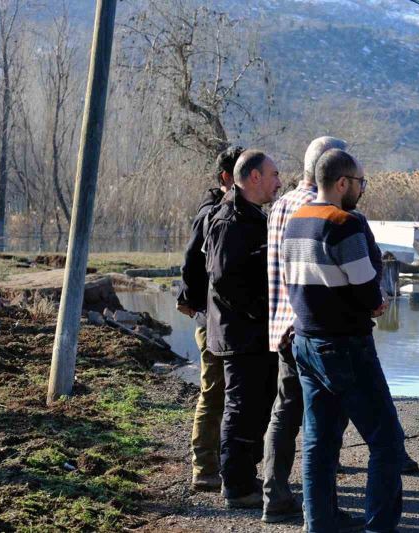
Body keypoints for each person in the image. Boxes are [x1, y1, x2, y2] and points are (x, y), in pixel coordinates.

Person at [284, 149, 405, 533]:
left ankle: (318, 523)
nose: (361, 190)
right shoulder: (343, 223)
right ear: (341, 183)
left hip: (305, 342)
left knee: (319, 442)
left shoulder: (295, 221)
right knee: (386, 441)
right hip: (345, 345)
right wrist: (376, 302)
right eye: (359, 183)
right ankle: (380, 527)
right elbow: (365, 284)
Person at [262, 136, 347, 524]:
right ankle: (323, 508)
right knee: (322, 420)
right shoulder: (322, 208)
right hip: (313, 328)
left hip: (281, 324)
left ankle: (274, 493)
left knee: (285, 412)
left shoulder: (279, 205)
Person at [204, 149, 282, 508]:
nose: (278, 182)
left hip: (256, 332)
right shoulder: (231, 220)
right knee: (241, 407)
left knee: (259, 404)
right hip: (241, 334)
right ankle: (235, 486)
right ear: (253, 178)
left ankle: (245, 475)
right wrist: (257, 315)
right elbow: (223, 280)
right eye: (273, 175)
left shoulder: (253, 216)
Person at [176, 145, 243, 491]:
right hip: (211, 318)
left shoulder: (234, 208)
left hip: (222, 318)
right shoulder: (212, 213)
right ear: (226, 177)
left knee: (225, 391)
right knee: (213, 390)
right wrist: (190, 300)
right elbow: (190, 260)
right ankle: (203, 467)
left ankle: (219, 462)